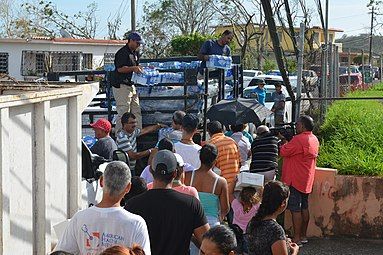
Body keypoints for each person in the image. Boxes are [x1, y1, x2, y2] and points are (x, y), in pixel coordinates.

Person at [54, 161, 151, 255]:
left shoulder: (79, 218)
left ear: (101, 181)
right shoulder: (136, 223)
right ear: (128, 187)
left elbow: (61, 251)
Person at [125, 150, 210, 255]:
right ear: (175, 173)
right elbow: (208, 242)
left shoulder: (133, 205)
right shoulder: (191, 204)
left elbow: (124, 243)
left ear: (151, 171)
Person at [280, 115, 319, 245]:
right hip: (306, 179)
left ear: (302, 126)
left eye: (297, 125)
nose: (296, 127)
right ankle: (303, 235)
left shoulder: (298, 139)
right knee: (304, 207)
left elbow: (283, 152)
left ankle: (296, 238)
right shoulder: (314, 139)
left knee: (295, 209)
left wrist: (285, 141)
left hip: (294, 179)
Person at [247, 181, 299, 255]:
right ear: (283, 203)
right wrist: (295, 251)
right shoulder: (275, 230)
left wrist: (284, 242)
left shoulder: (252, 222)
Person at [185, 144, 230, 226]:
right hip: (212, 224)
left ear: (200, 158)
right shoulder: (221, 182)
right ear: (215, 161)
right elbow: (225, 209)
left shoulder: (187, 176)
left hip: (190, 222)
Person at [113, 31, 145, 132]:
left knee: (136, 110)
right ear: (131, 41)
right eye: (137, 43)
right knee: (123, 112)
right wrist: (133, 68)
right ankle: (120, 135)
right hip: (121, 85)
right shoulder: (122, 53)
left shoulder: (135, 53)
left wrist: (139, 69)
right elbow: (119, 69)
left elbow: (135, 66)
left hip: (131, 84)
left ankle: (137, 133)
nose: (138, 45)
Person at [207, 121, 240, 200]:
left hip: (220, 185)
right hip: (235, 183)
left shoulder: (211, 144)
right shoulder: (232, 141)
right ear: (222, 130)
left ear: (209, 132)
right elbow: (240, 162)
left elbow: (208, 167)